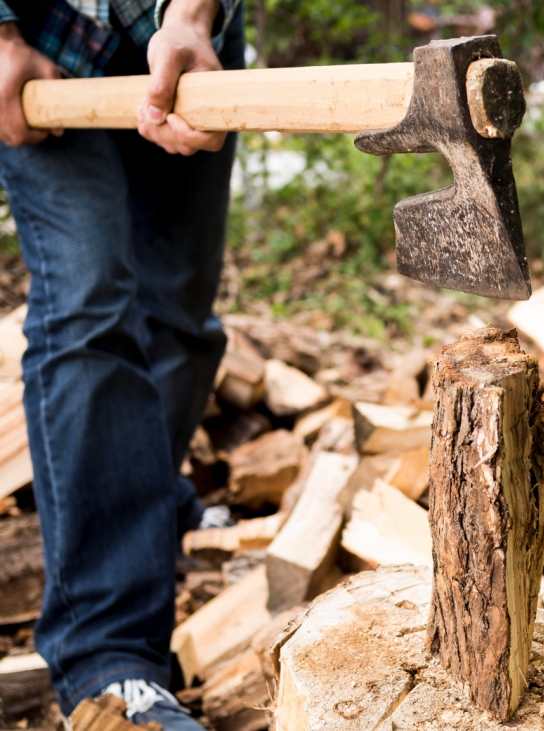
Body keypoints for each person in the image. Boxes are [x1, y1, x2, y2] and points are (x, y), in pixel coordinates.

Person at [0, 0, 243, 725]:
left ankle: (135, 506)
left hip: (174, 34)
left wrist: (194, 17)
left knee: (179, 319)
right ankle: (110, 659)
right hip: (38, 38)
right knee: (89, 305)